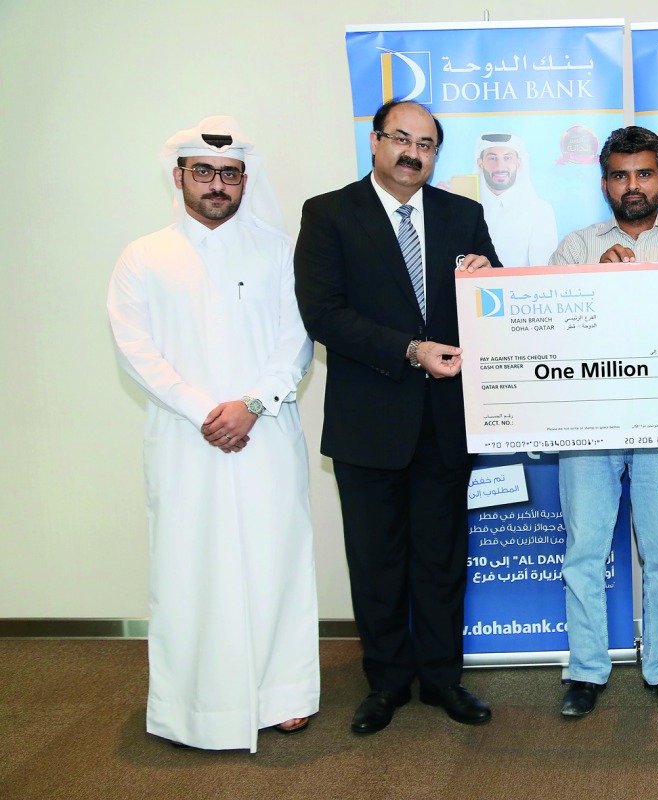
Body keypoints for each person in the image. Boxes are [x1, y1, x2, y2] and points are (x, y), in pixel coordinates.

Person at [107, 116, 319, 751]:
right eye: (204, 172)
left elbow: (297, 339)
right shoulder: (142, 256)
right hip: (184, 438)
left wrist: (252, 404)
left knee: (275, 557)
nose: (217, 185)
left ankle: (282, 695)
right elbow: (137, 352)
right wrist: (205, 409)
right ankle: (193, 706)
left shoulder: (280, 250)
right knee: (189, 566)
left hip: (266, 432)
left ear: (245, 179)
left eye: (229, 174)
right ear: (179, 177)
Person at [294, 100, 498, 733]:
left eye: (428, 144)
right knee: (377, 563)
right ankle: (385, 684)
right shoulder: (328, 213)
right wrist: (408, 351)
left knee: (441, 561)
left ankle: (442, 680)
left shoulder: (463, 214)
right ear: (375, 142)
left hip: (445, 422)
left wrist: (488, 278)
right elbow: (323, 313)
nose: (414, 152)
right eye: (402, 139)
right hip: (369, 424)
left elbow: (495, 304)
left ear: (438, 154)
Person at [550, 126, 658, 718]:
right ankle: (587, 670)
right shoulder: (575, 247)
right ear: (604, 184)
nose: (633, 186)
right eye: (620, 175)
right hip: (589, 426)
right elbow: (550, 334)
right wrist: (596, 276)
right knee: (585, 551)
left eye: (644, 174)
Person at [475, 131, 558, 266]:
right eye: (492, 158)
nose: (500, 166)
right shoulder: (465, 210)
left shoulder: (540, 211)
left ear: (518, 163)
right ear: (480, 163)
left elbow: (543, 276)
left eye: (507, 158)